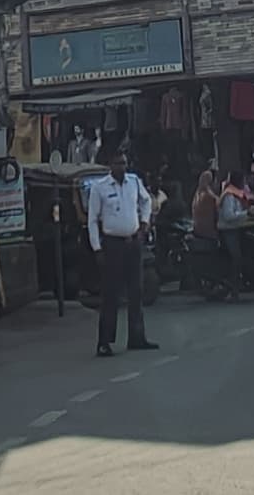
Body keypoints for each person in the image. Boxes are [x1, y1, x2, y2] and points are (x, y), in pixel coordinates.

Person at [81, 145, 158, 357]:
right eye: (117, 163)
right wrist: (97, 248)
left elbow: (146, 202)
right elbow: (92, 221)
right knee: (111, 295)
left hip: (133, 242)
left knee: (136, 291)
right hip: (112, 245)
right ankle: (104, 342)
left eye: (123, 163)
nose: (121, 167)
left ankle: (137, 337)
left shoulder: (134, 182)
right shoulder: (100, 187)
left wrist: (144, 224)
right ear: (110, 166)